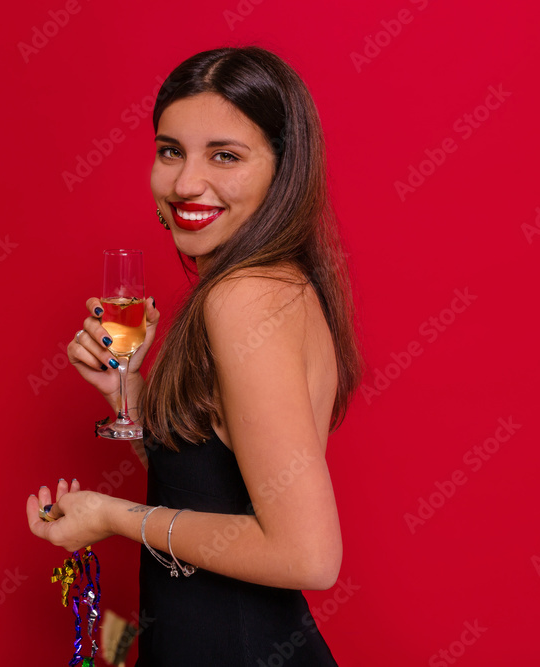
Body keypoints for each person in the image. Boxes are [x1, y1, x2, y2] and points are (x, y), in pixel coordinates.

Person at [26, 45, 364, 666]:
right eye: (170, 151)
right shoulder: (274, 285)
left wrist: (114, 515)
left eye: (225, 155)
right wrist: (127, 395)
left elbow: (308, 556)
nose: (185, 183)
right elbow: (212, 489)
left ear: (283, 169)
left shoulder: (243, 297)